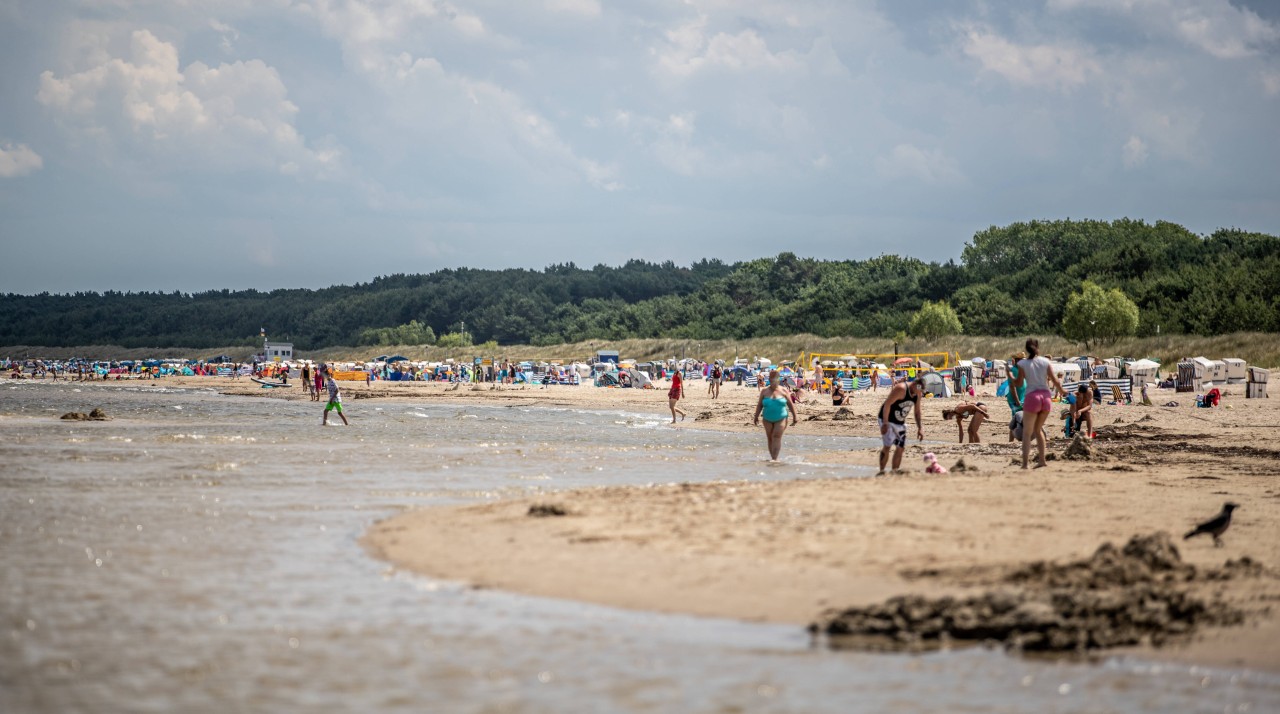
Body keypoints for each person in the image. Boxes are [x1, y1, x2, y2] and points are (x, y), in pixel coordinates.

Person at [1010, 338, 1067, 469]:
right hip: (1046, 398)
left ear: (1026, 349)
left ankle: (1025, 464)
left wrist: (1010, 376)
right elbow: (1055, 382)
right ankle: (1042, 460)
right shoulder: (1045, 361)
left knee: (1027, 433)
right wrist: (1063, 392)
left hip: (1032, 397)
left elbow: (1018, 383)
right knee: (1038, 429)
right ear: (1037, 347)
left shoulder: (1023, 363)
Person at [877, 376, 925, 475]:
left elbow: (917, 412)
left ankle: (894, 472)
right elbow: (887, 404)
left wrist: (920, 428)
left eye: (922, 390)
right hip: (886, 418)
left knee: (900, 447)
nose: (920, 392)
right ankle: (881, 472)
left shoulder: (918, 394)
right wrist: (885, 424)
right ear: (915, 384)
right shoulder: (901, 389)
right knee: (887, 445)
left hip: (899, 421)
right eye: (920, 388)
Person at [753, 369, 798, 461]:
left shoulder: (784, 391)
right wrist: (756, 416)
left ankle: (774, 459)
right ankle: (773, 458)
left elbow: (790, 404)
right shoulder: (764, 391)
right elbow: (760, 405)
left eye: (776, 379)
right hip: (767, 418)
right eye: (772, 379)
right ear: (769, 379)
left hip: (781, 418)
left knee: (776, 436)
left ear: (779, 380)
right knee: (770, 438)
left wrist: (795, 416)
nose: (774, 382)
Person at [1005, 352, 1027, 442]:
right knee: (1017, 420)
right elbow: (1012, 387)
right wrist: (1017, 401)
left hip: (1022, 398)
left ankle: (1013, 441)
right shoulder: (1013, 370)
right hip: (1015, 400)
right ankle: (1013, 441)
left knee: (1020, 419)